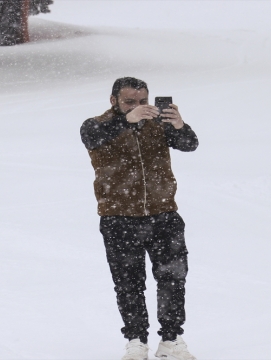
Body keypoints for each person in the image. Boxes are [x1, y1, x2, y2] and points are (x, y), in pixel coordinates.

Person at [80, 77, 199, 360]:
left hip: (164, 215)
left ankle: (172, 340)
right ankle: (136, 341)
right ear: (114, 101)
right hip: (119, 218)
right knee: (128, 282)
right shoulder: (97, 125)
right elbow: (92, 138)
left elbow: (190, 144)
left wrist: (179, 125)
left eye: (142, 101)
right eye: (129, 101)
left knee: (172, 279)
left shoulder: (158, 123)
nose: (138, 106)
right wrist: (127, 121)